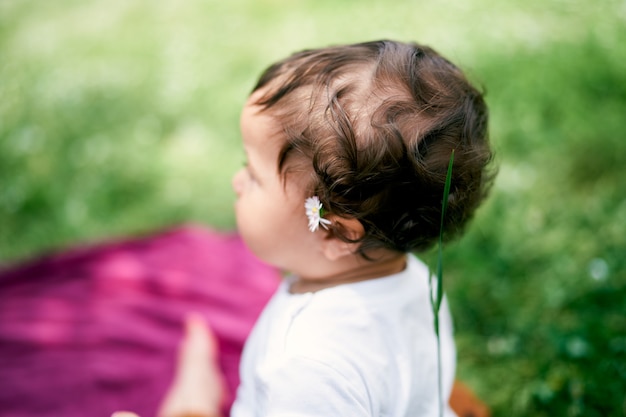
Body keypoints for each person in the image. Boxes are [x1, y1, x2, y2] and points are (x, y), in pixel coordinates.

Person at [116, 39, 494, 417]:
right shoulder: (417, 282)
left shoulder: (305, 367)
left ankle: (195, 395)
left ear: (335, 232)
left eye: (253, 174)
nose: (236, 181)